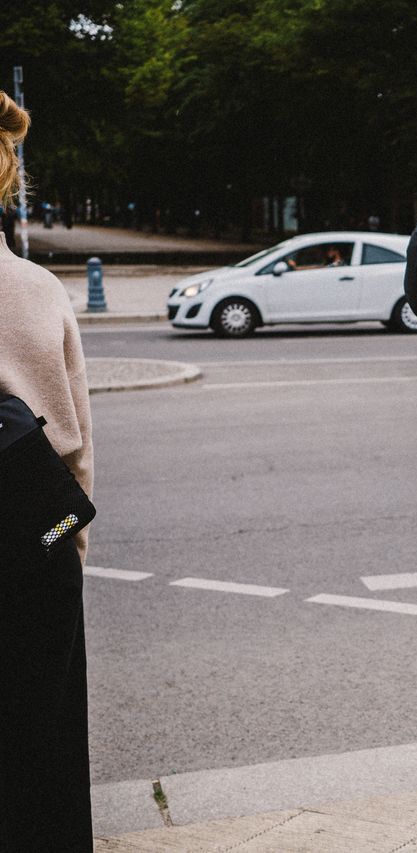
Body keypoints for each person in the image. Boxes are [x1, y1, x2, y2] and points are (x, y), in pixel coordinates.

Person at [0, 89, 95, 850]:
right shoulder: (36, 290)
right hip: (34, 535)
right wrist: (71, 541)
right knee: (44, 739)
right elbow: (75, 445)